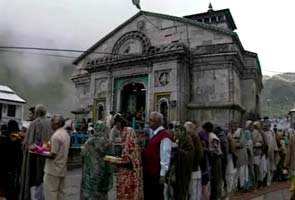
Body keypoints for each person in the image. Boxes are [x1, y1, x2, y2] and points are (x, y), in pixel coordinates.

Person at [19, 104, 52, 200]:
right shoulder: (49, 123)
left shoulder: (34, 124)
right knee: (43, 180)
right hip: (47, 156)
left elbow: (28, 143)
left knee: (34, 180)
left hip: (35, 157)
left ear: (36, 113)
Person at [107, 114, 143, 200]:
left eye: (116, 123)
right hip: (126, 167)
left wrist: (115, 160)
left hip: (129, 169)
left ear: (119, 122)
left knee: (128, 191)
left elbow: (128, 154)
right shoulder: (124, 131)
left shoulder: (128, 131)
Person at [142, 112, 172, 200]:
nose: (149, 122)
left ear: (158, 122)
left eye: (151, 120)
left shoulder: (164, 136)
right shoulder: (154, 134)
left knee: (156, 195)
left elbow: (165, 155)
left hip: (156, 173)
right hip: (149, 171)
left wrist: (162, 174)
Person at [80, 121, 113, 200]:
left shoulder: (88, 141)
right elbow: (111, 158)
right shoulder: (107, 143)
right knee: (101, 193)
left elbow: (82, 154)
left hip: (90, 172)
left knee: (90, 193)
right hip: (103, 172)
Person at [43, 115, 70, 200]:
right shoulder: (66, 134)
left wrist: (41, 153)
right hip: (62, 167)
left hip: (52, 169)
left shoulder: (55, 136)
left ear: (57, 124)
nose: (51, 124)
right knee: (61, 192)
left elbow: (53, 155)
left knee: (51, 192)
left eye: (52, 122)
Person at [167, 125, 194, 200]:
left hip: (184, 169)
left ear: (183, 132)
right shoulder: (178, 139)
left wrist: (178, 150)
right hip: (177, 168)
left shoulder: (188, 139)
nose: (176, 133)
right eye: (176, 131)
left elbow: (189, 154)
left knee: (182, 189)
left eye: (178, 131)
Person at [185, 121, 204, 200]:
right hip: (193, 166)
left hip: (194, 167)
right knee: (193, 189)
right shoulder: (193, 136)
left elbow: (199, 153)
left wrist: (194, 165)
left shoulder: (194, 137)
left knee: (194, 190)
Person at [232, 121, 249, 191]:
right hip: (236, 155)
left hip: (241, 155)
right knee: (237, 172)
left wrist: (233, 144)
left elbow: (241, 144)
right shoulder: (232, 133)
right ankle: (238, 186)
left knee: (242, 172)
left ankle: (243, 186)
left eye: (236, 124)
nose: (235, 126)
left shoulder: (241, 132)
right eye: (233, 124)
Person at [262, 120, 279, 186]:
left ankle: (269, 180)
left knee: (271, 167)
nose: (267, 127)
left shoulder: (272, 133)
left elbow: (274, 142)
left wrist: (276, 150)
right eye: (265, 126)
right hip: (265, 153)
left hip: (271, 153)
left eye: (268, 125)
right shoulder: (263, 133)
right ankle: (266, 181)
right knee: (266, 168)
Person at [198, 123, 211, 200]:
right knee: (205, 185)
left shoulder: (201, 133)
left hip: (203, 162)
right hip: (205, 161)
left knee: (204, 185)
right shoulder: (204, 135)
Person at [252, 121, 267, 189]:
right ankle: (257, 183)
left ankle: (261, 183)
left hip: (260, 153)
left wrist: (263, 152)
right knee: (256, 169)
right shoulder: (251, 132)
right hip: (254, 154)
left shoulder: (262, 133)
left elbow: (265, 144)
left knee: (261, 169)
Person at [285, 131, 295, 200]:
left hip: (294, 165)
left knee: (294, 182)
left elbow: (289, 151)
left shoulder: (292, 137)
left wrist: (286, 163)